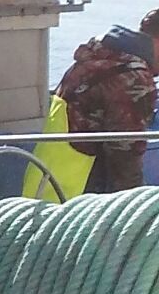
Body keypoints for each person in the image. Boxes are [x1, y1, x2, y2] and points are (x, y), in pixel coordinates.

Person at [42, 10, 159, 195]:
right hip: (79, 196)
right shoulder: (134, 79)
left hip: (45, 181)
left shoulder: (100, 57)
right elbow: (124, 159)